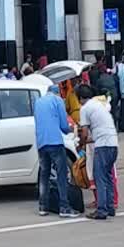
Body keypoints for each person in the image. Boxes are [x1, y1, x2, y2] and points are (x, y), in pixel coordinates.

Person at [35, 85, 79, 218]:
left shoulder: (38, 102)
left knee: (44, 174)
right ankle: (64, 207)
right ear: (58, 93)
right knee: (61, 174)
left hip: (41, 142)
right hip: (55, 142)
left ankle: (43, 206)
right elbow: (64, 126)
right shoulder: (58, 101)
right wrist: (72, 129)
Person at [77, 83, 119, 220]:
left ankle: (101, 210)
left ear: (81, 98)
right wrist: (86, 141)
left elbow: (84, 132)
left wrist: (81, 144)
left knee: (99, 177)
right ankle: (110, 207)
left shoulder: (85, 108)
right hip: (113, 144)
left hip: (103, 146)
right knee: (107, 177)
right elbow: (96, 134)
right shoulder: (99, 105)